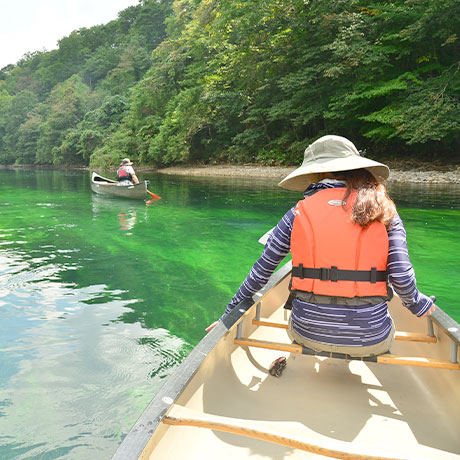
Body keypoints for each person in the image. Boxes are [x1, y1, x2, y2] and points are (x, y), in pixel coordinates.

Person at [207, 135, 436, 358]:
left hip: (307, 334)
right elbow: (402, 278)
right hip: (371, 340)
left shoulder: (297, 212)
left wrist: (229, 314)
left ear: (315, 173)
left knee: (296, 319)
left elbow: (262, 271)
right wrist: (417, 304)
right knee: (384, 323)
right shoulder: (384, 210)